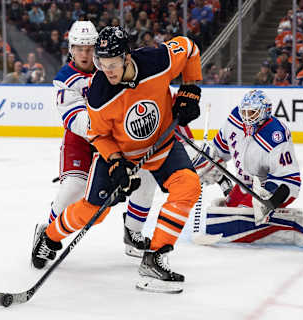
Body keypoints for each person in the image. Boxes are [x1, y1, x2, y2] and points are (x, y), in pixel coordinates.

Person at [32, 26, 203, 293]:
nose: (106, 70)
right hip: (120, 153)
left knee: (188, 186)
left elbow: (190, 48)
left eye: (111, 64)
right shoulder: (100, 91)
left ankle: (155, 257)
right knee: (93, 213)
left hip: (161, 147)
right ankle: (50, 237)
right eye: (101, 64)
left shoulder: (157, 60)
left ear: (127, 57)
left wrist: (191, 87)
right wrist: (115, 162)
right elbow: (97, 134)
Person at [30, 22, 156, 269]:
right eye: (79, 48)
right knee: (73, 189)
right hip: (81, 141)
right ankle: (48, 234)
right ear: (71, 49)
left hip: (115, 138)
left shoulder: (112, 67)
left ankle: (133, 231)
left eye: (89, 48)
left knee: (146, 173)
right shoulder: (65, 79)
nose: (85, 54)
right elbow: (77, 121)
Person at [194, 90, 303, 247]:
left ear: (265, 112)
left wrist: (268, 200)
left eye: (252, 112)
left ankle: (301, 228)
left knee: (236, 222)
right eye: (245, 111)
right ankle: (276, 222)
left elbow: (290, 181)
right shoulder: (235, 119)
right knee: (223, 213)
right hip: (245, 184)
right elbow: (219, 150)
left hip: (273, 188)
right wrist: (208, 163)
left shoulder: (276, 135)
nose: (247, 116)